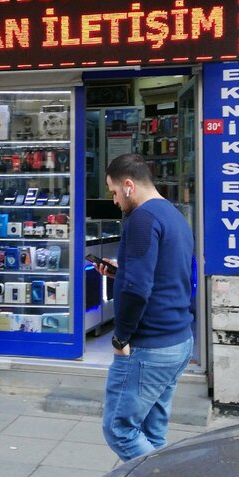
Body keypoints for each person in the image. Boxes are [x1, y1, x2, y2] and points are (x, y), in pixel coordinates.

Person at [96, 153, 195, 461]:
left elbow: (137, 289)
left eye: (114, 192)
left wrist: (120, 338)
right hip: (178, 340)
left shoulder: (142, 218)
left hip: (150, 346)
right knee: (152, 434)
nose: (114, 200)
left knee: (119, 429)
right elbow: (166, 273)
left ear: (128, 185)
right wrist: (121, 272)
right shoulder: (173, 214)